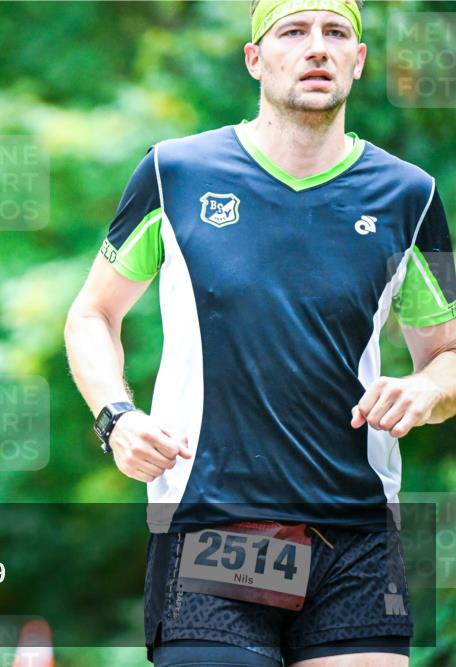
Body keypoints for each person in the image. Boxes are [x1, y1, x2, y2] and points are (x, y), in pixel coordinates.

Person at [64, 1, 456, 666]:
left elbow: (448, 355)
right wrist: (117, 417)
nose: (317, 49)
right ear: (255, 59)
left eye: (336, 34)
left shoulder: (409, 196)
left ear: (358, 63)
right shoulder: (175, 173)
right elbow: (91, 315)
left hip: (356, 534)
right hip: (216, 525)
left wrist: (426, 391)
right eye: (294, 32)